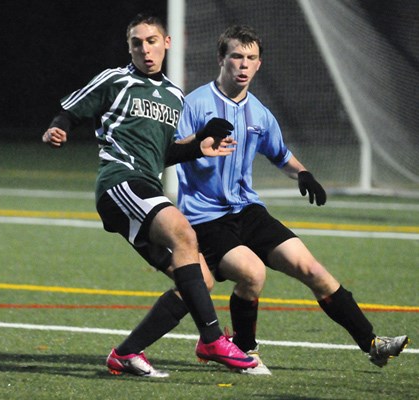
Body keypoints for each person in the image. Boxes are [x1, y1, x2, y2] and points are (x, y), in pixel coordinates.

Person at [110, 24, 409, 377]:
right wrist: (198, 143)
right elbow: (165, 151)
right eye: (236, 56)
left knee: (311, 268)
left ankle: (372, 344)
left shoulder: (260, 114)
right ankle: (245, 349)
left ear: (259, 64)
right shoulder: (192, 104)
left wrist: (303, 174)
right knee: (251, 273)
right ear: (221, 59)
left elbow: (280, 154)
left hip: (248, 211)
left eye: (251, 58)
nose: (243, 64)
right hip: (206, 219)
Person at [42, 14, 258, 378]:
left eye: (152, 41)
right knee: (184, 233)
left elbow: (165, 152)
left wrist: (199, 145)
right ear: (129, 48)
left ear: (167, 43)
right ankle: (211, 338)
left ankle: (126, 353)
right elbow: (70, 109)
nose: (145, 49)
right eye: (137, 43)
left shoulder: (174, 96)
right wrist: (57, 128)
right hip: (120, 183)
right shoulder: (117, 80)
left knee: (200, 281)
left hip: (145, 189)